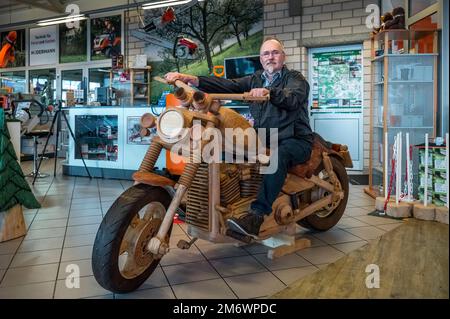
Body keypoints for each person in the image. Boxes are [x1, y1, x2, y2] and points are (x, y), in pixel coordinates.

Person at [164, 37, 313, 239]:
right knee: (221, 149)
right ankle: (199, 201)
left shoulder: (295, 79)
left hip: (295, 139)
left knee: (279, 156)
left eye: (275, 52)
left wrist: (269, 92)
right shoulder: (255, 79)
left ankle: (256, 215)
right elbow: (228, 84)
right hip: (265, 138)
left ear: (283, 56)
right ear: (261, 59)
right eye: (266, 54)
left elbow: (293, 97)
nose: (270, 57)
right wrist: (194, 80)